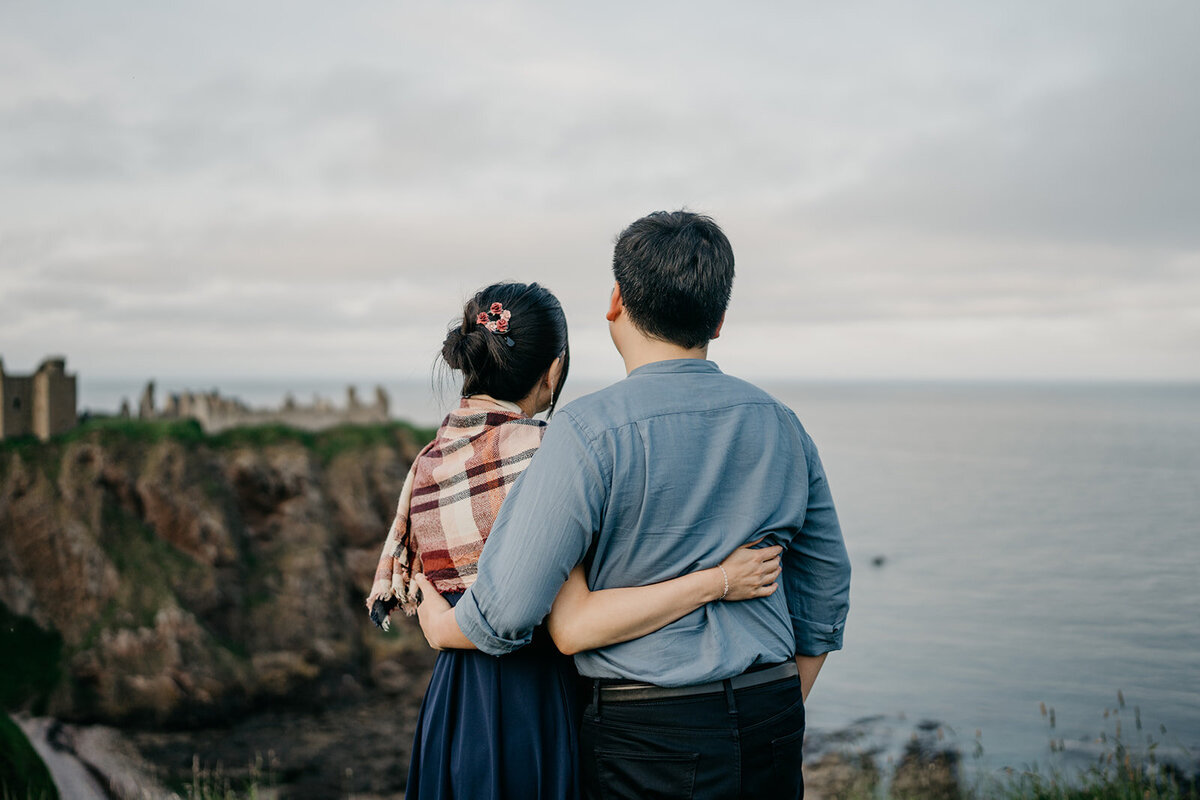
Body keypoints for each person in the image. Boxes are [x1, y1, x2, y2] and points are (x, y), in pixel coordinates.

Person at [417, 213, 852, 799]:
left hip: (647, 733)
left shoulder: (586, 432)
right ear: (718, 320)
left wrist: (446, 628)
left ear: (616, 301)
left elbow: (512, 608)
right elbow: (824, 586)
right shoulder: (782, 424)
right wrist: (775, 704)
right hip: (769, 714)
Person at [366, 280, 784, 800]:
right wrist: (719, 578)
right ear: (555, 369)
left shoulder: (429, 459)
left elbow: (431, 585)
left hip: (454, 696)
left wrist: (444, 628)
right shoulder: (549, 450)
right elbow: (564, 611)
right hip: (535, 692)